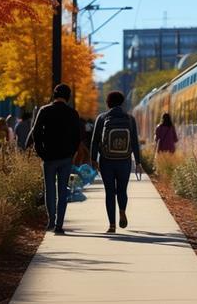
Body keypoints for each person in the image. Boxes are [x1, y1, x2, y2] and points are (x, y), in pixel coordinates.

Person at [29, 84, 81, 235]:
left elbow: (36, 133)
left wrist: (41, 153)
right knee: (62, 190)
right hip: (65, 157)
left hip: (49, 157)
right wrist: (72, 153)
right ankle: (59, 224)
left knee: (50, 189)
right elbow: (77, 137)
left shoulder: (44, 110)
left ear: (54, 95)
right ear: (68, 97)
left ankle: (51, 220)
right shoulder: (72, 113)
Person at [91, 91, 142, 233]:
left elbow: (94, 141)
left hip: (106, 161)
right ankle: (122, 210)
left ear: (108, 103)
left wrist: (93, 159)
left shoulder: (102, 118)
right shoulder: (130, 119)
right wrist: (138, 162)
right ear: (122, 103)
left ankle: (112, 225)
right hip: (124, 161)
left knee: (109, 192)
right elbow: (134, 142)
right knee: (122, 190)